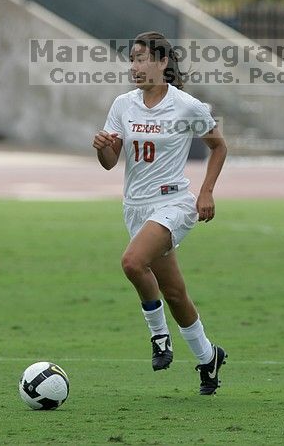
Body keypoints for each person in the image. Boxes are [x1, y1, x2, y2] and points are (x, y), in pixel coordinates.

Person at [93, 31, 228, 395]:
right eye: (132, 59)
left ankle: (160, 338)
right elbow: (110, 163)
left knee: (132, 263)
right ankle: (208, 358)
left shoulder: (187, 105)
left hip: (174, 204)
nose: (134, 66)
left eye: (141, 58)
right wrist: (103, 148)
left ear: (162, 62)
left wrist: (206, 192)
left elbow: (218, 146)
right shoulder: (123, 105)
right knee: (174, 292)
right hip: (136, 208)